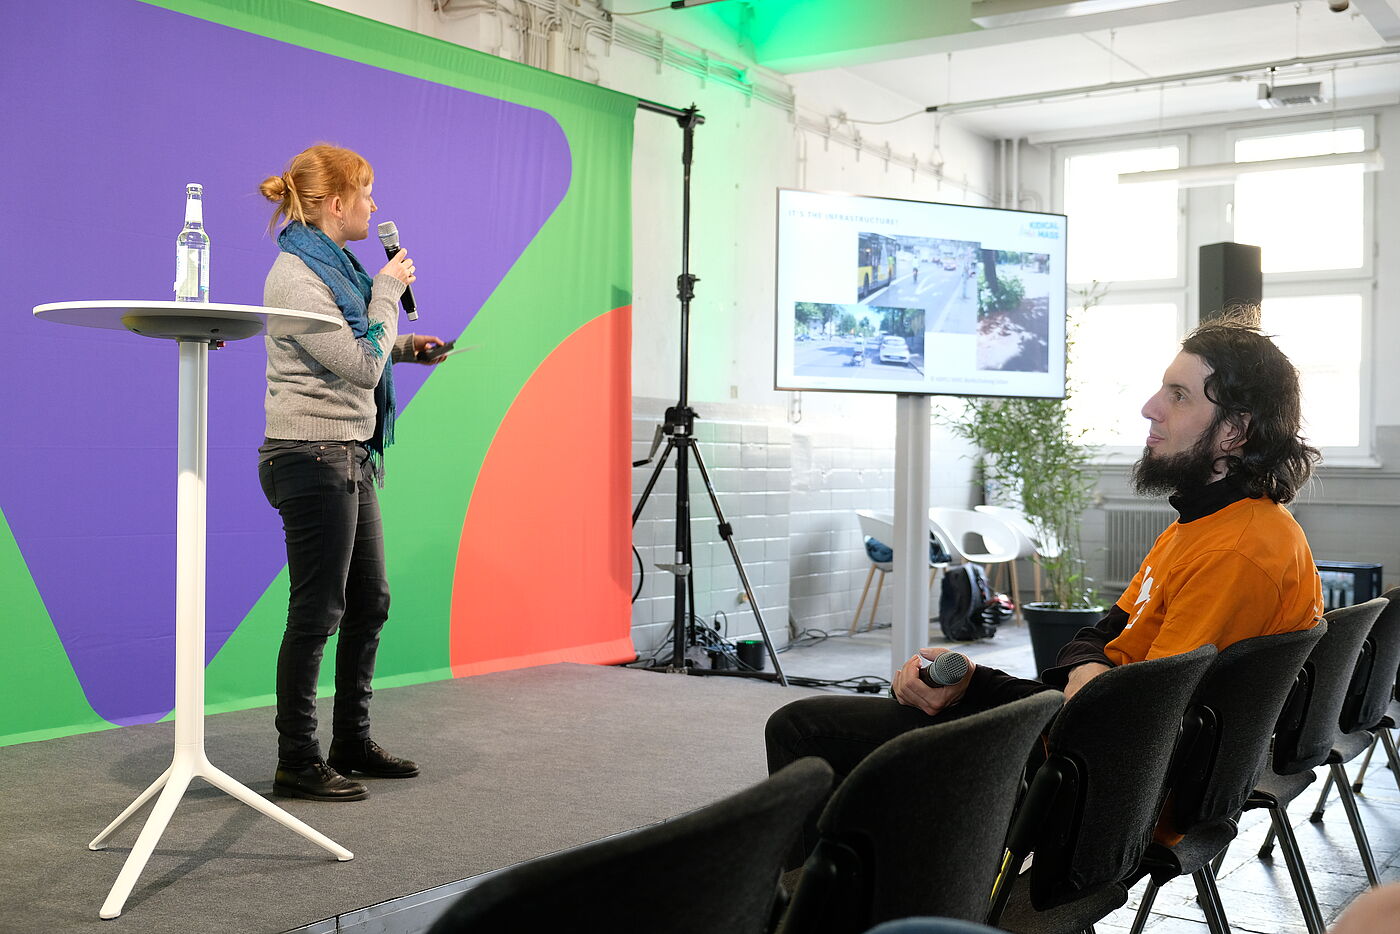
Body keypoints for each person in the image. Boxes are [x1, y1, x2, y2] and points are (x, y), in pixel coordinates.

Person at [766, 316, 1324, 859]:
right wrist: (988, 684)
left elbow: (1125, 724)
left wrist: (998, 689)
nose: (1150, 407)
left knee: (804, 727)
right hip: (1092, 761)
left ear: (1236, 430)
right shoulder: (1207, 525)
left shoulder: (1236, 551)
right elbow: (1096, 640)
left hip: (1096, 795)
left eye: (1178, 395)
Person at [256, 144, 447, 802]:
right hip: (311, 455)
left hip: (346, 452)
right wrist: (390, 293)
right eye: (366, 194)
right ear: (336, 204)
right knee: (317, 612)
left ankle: (350, 741)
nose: (374, 206)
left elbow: (359, 339)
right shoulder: (295, 277)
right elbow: (361, 364)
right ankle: (296, 759)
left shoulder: (333, 266)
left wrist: (408, 346)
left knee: (370, 602)